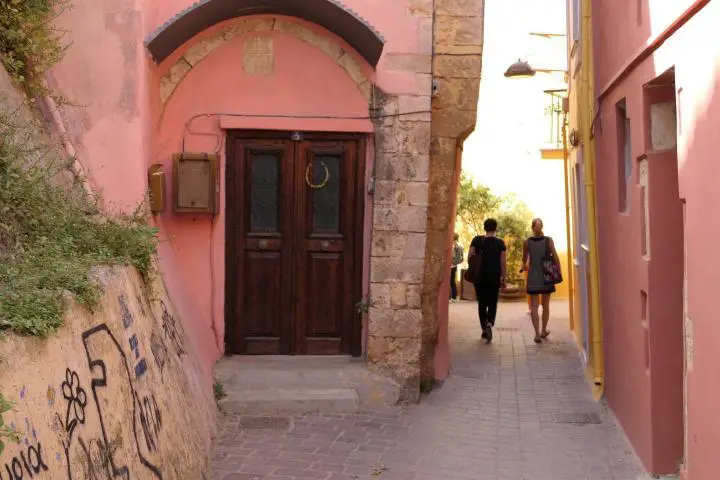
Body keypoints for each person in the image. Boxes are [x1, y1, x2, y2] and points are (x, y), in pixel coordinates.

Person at [521, 218, 561, 343]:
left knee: (534, 306)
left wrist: (524, 267)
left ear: (533, 228)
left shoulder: (526, 242)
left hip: (533, 276)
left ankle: (537, 334)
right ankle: (543, 330)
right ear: (542, 227)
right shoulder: (548, 241)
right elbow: (555, 256)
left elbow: (524, 259)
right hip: (546, 275)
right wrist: (558, 271)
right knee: (545, 305)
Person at [468, 218, 507, 343]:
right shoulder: (500, 243)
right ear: (495, 228)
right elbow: (503, 262)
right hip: (494, 276)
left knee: (482, 303)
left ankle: (484, 328)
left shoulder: (476, 240)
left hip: (480, 276)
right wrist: (503, 277)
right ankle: (490, 323)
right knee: (492, 302)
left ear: (484, 228)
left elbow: (470, 256)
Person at [450, 233, 463, 302]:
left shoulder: (455, 246)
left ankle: (452, 297)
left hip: (451, 266)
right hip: (453, 266)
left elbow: (454, 257)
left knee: (450, 281)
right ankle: (453, 297)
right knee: (452, 281)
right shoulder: (458, 246)